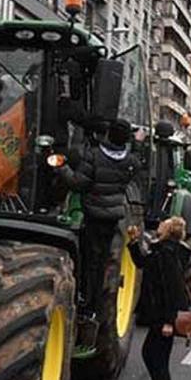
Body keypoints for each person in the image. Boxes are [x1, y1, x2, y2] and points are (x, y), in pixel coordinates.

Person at [58, 119, 139, 320]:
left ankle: (84, 302)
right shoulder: (130, 162)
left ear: (108, 134)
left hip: (93, 216)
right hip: (112, 218)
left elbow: (77, 183)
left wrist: (61, 166)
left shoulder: (94, 156)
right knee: (102, 261)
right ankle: (95, 307)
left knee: (88, 261)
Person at [127, 217, 191, 380]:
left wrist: (168, 321)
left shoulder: (167, 254)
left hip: (163, 315)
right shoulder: (165, 251)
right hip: (160, 314)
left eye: (163, 224)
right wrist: (133, 242)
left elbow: (172, 288)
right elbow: (142, 262)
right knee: (154, 356)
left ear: (168, 230)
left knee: (156, 358)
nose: (159, 225)